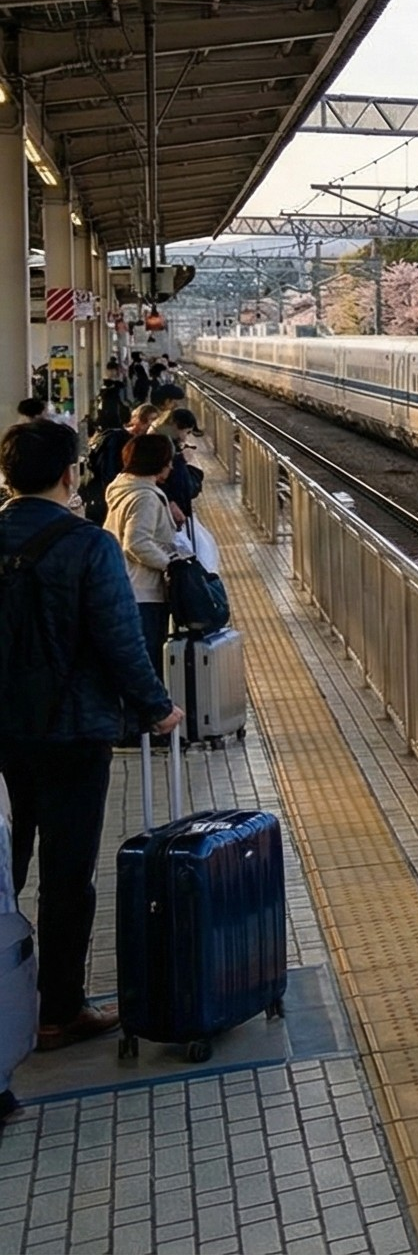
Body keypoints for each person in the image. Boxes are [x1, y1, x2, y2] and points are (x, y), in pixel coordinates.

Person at [0, 420, 181, 1051]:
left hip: (5, 729)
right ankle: (58, 1010)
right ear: (70, 475)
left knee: (7, 863)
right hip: (73, 730)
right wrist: (157, 706)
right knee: (67, 872)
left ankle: (6, 1000)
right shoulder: (86, 546)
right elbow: (119, 640)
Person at [104, 433, 180, 674]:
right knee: (148, 662)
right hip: (143, 592)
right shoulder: (145, 496)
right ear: (156, 462)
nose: (171, 465)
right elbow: (136, 542)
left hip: (123, 585)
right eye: (168, 460)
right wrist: (169, 564)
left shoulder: (124, 487)